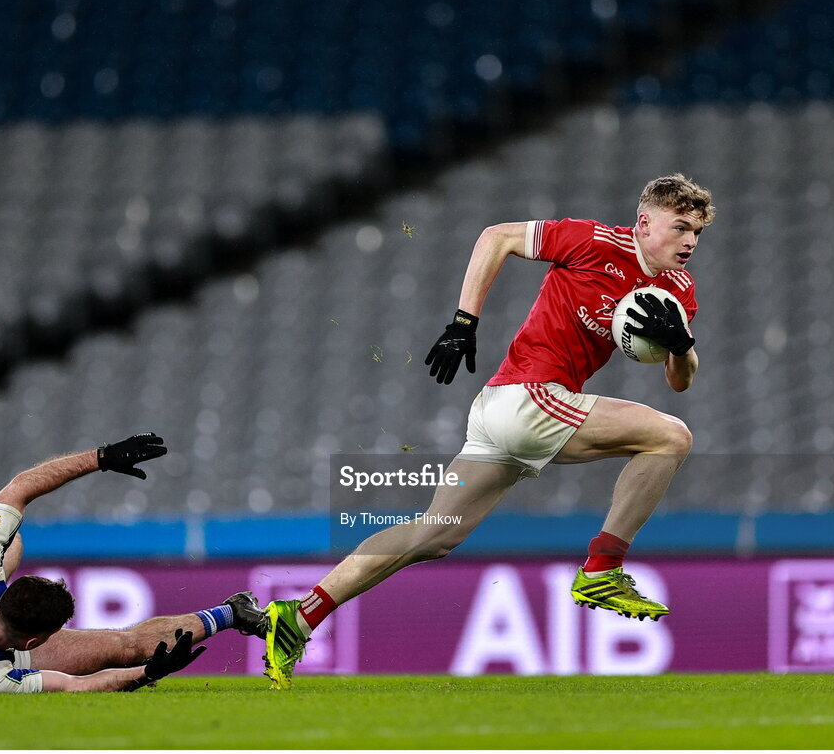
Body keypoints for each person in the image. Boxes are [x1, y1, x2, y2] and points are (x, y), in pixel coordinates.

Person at [261, 173, 714, 688]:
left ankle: (298, 617)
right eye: (681, 228)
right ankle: (601, 569)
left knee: (433, 533)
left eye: (698, 233)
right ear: (645, 222)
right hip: (525, 398)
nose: (690, 242)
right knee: (672, 437)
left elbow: (680, 381)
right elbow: (496, 236)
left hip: (515, 411)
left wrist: (683, 345)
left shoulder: (677, 291)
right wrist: (463, 323)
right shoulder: (592, 240)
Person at [0, 433, 267, 693]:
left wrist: (103, 457)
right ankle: (231, 612)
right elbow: (79, 685)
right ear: (32, 641)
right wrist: (147, 670)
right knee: (124, 647)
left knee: (9, 536)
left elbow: (21, 486)